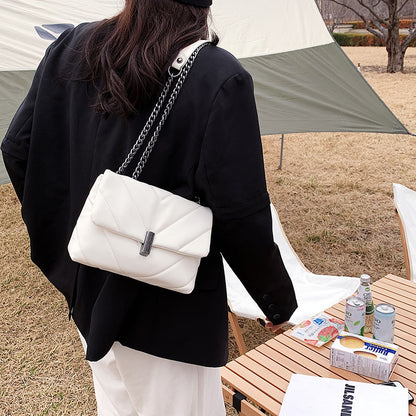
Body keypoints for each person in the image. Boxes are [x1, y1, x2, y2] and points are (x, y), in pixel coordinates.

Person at [1, 0, 298, 415]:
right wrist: (276, 300)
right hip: (170, 315)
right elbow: (240, 211)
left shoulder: (71, 46)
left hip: (89, 293)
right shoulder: (216, 76)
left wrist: (68, 240)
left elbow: (18, 148)